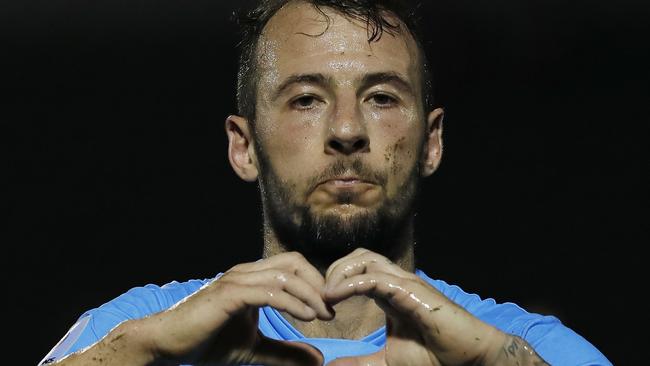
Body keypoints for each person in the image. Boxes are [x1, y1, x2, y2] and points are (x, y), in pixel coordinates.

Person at [39, 1, 611, 365]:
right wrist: (141, 351)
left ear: (432, 142)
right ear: (244, 146)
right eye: (306, 99)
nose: (345, 130)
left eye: (382, 98)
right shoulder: (139, 330)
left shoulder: (532, 346)